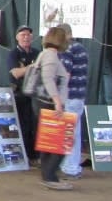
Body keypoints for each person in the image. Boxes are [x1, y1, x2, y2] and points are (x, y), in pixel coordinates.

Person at [34, 26, 72, 190]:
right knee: (62, 140)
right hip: (50, 103)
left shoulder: (45, 54)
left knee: (48, 140)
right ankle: (50, 175)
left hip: (43, 101)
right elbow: (48, 79)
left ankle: (48, 175)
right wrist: (57, 101)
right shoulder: (51, 56)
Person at [57, 25, 89, 181]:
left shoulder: (67, 49)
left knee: (69, 133)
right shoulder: (80, 47)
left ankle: (70, 168)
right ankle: (69, 166)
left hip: (69, 96)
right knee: (74, 131)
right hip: (79, 95)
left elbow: (66, 74)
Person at [7, 26, 40, 161]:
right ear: (17, 37)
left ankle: (34, 155)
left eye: (28, 35)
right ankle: (23, 155)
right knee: (22, 125)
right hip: (19, 95)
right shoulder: (13, 54)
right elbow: (16, 73)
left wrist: (25, 69)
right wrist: (33, 66)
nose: (26, 37)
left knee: (35, 125)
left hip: (35, 94)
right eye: (23, 35)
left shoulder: (37, 53)